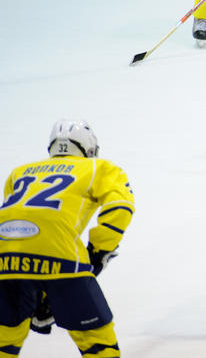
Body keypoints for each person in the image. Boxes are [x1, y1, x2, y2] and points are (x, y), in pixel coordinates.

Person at [0, 120, 135, 357]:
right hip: (63, 262)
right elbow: (120, 207)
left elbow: (22, 225)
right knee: (98, 343)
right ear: (89, 149)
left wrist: (38, 292)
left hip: (5, 262)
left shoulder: (18, 173)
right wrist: (99, 251)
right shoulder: (98, 168)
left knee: (4, 342)